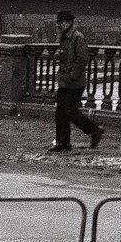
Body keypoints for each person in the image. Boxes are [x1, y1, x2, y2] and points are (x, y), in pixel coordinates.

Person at [49, 10, 103, 153]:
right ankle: (63, 142)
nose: (58, 25)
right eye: (58, 22)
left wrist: (72, 75)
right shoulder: (66, 37)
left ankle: (93, 131)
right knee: (61, 112)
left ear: (68, 23)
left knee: (69, 111)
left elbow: (82, 59)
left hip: (74, 83)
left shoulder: (77, 38)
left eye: (60, 23)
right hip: (65, 81)